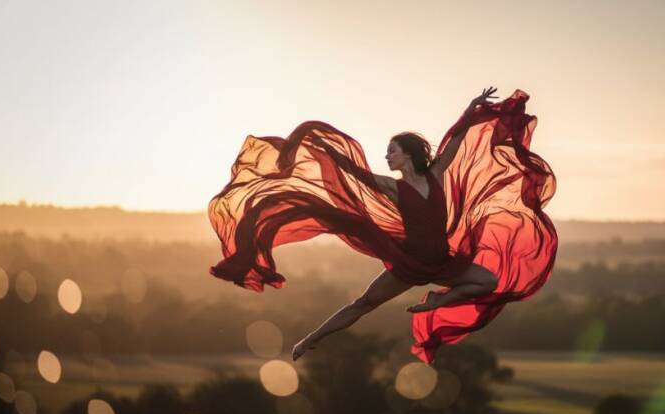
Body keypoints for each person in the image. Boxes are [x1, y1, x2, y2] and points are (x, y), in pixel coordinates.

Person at [207, 87, 558, 365]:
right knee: (362, 305)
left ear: (408, 154)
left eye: (392, 151)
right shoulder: (394, 187)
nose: (387, 156)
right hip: (409, 263)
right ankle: (308, 340)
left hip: (442, 262)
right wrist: (315, 144)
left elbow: (457, 141)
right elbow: (352, 172)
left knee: (489, 281)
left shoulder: (435, 175)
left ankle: (437, 301)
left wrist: (470, 109)